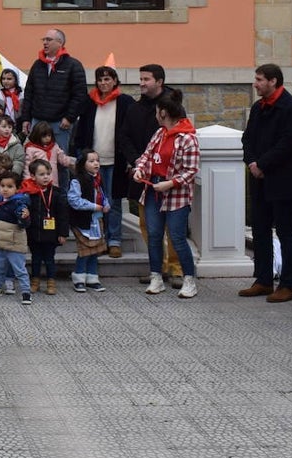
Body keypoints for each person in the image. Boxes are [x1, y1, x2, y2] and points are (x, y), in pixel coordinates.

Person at [239, 64, 292, 303]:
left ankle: (288, 284)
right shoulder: (258, 107)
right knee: (259, 230)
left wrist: (263, 164)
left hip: (284, 180)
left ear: (273, 81)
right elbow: (247, 138)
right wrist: (251, 163)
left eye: (259, 79)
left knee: (287, 231)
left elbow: (289, 142)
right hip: (259, 180)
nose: (255, 84)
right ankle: (264, 280)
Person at [119, 63, 184, 285]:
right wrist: (136, 160)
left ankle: (177, 268)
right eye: (141, 79)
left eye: (146, 79)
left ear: (159, 81)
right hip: (143, 175)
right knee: (148, 225)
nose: (141, 83)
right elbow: (124, 136)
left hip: (168, 178)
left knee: (173, 227)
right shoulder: (134, 108)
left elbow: (180, 139)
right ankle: (159, 266)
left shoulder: (174, 107)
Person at [132, 95, 201, 299]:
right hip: (154, 188)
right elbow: (147, 156)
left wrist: (170, 183)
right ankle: (156, 277)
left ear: (163, 113)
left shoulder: (188, 138)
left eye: (157, 111)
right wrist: (139, 170)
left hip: (176, 193)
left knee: (177, 236)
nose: (155, 115)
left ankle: (189, 279)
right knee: (154, 235)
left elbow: (191, 170)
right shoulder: (159, 133)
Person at [70, 65, 133, 258]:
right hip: (92, 161)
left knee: (113, 202)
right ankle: (97, 239)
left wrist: (131, 159)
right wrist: (80, 154)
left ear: (115, 81)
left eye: (107, 79)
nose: (104, 83)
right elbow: (80, 131)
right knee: (94, 201)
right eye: (100, 79)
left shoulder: (125, 102)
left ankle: (114, 240)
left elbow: (131, 132)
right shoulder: (89, 102)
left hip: (116, 160)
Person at [19, 28, 87, 165]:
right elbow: (29, 92)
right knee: (35, 161)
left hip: (60, 124)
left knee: (61, 162)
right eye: (43, 40)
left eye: (48, 40)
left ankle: (62, 187)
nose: (45, 43)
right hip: (37, 121)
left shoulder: (73, 65)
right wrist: (26, 118)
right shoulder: (38, 65)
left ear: (60, 43)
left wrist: (69, 118)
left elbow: (80, 95)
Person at [0, 172, 33, 305]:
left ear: (17, 188)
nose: (5, 189)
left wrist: (24, 217)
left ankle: (26, 292)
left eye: (9, 186)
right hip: (1, 241)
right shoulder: (0, 202)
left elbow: (24, 224)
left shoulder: (19, 203)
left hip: (14, 242)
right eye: (2, 186)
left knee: (19, 269)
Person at [23, 159, 68, 296]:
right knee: (35, 258)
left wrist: (63, 233)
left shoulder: (56, 193)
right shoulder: (29, 193)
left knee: (49, 259)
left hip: (51, 233)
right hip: (34, 233)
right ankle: (35, 281)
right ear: (32, 176)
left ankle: (51, 281)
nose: (46, 177)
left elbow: (63, 214)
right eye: (41, 174)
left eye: (48, 174)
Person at [68, 149, 109, 293]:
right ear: (83, 164)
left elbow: (102, 195)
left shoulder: (98, 178)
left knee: (95, 250)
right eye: (91, 161)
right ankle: (79, 277)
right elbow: (74, 200)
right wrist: (93, 206)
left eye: (97, 160)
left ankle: (92, 277)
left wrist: (106, 204)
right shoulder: (77, 180)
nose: (96, 163)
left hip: (96, 219)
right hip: (83, 220)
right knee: (85, 250)